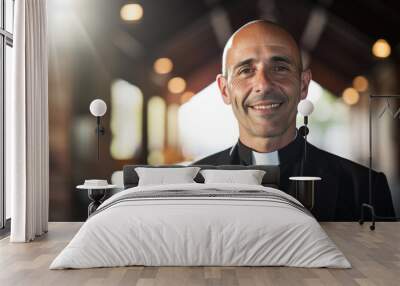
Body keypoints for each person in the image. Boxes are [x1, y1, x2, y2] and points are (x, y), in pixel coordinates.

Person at [193, 20, 395, 221]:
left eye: (280, 68)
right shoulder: (191, 186)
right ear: (224, 90)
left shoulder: (364, 188)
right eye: (246, 70)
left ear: (304, 85)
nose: (263, 85)